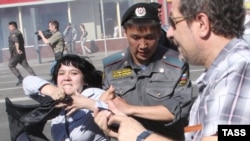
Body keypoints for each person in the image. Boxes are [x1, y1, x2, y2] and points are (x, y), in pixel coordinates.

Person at [96, 0, 250, 141]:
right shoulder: (221, 73)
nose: (169, 33)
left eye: (174, 23)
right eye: (136, 37)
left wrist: (141, 136)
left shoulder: (238, 70)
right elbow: (206, 131)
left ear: (202, 24)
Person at [101, 2, 193, 140]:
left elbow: (178, 110)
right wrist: (102, 106)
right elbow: (106, 109)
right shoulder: (112, 67)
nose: (143, 45)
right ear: (125, 33)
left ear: (158, 32)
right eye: (136, 38)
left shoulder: (177, 64)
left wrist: (130, 109)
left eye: (149, 37)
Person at [22, 54, 110, 141]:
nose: (66, 78)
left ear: (85, 80)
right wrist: (51, 90)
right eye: (61, 73)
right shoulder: (54, 99)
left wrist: (89, 104)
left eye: (74, 73)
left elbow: (120, 113)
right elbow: (27, 82)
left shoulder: (94, 94)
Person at [8, 21, 36, 86]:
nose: (8, 27)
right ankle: (35, 76)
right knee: (25, 65)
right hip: (21, 52)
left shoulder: (14, 33)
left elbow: (16, 41)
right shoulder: (18, 32)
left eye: (9, 26)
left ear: (13, 26)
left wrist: (17, 49)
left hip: (16, 53)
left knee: (11, 65)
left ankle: (20, 78)